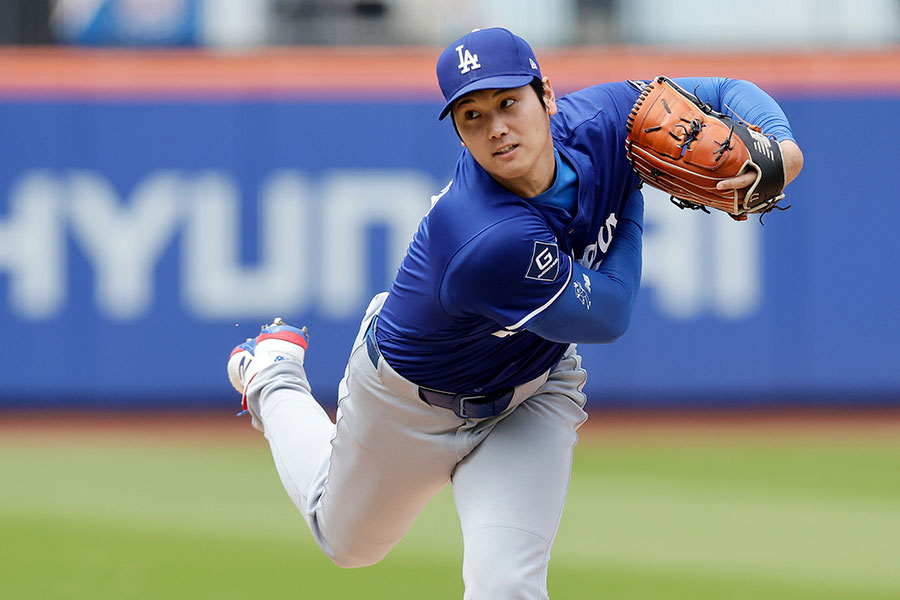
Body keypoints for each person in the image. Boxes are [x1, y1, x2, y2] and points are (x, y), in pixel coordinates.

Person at [226, 27, 804, 599]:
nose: (497, 127)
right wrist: (631, 190)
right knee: (347, 544)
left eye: (508, 102)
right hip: (410, 404)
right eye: (472, 116)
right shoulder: (486, 234)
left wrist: (780, 145)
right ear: (458, 130)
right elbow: (611, 313)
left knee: (506, 585)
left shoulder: (610, 118)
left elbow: (727, 89)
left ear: (546, 96)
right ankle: (273, 374)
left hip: (531, 391)